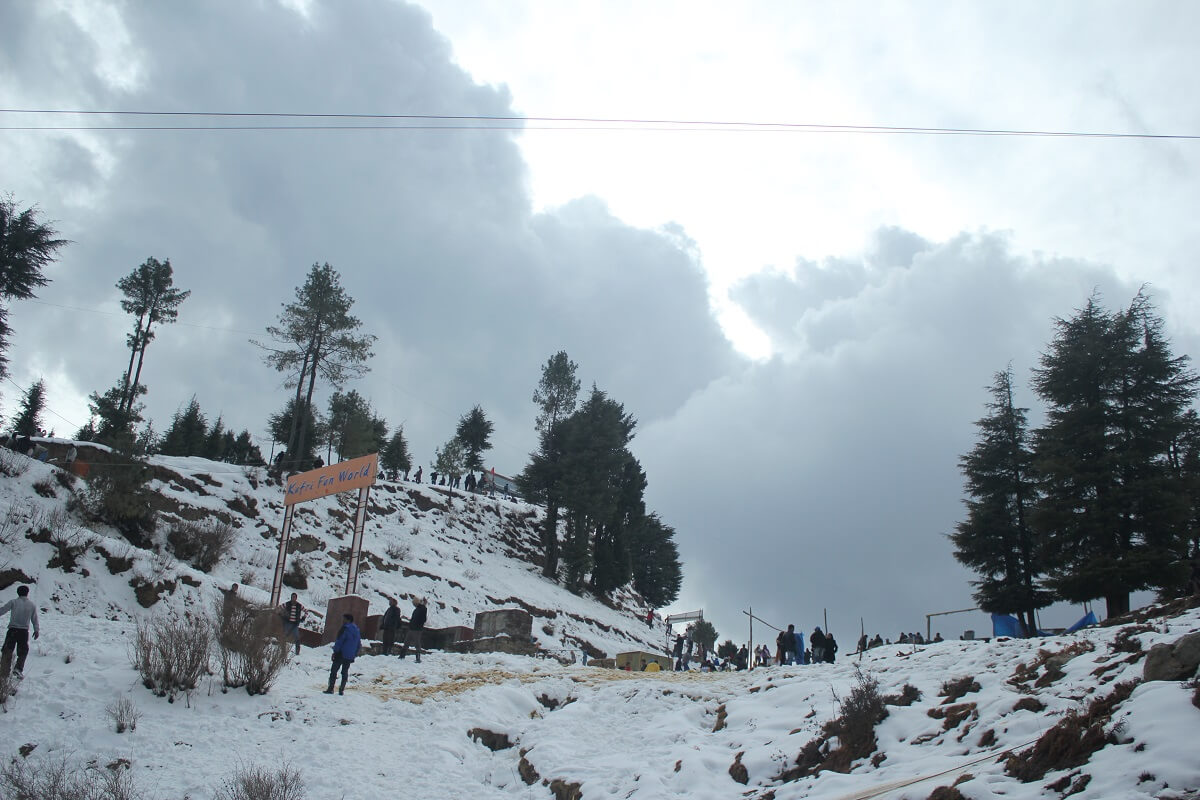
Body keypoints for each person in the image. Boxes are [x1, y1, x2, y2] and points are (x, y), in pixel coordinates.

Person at [1, 586, 40, 677]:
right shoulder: (31, 605)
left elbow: (2, 610)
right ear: (27, 593)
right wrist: (36, 630)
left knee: (7, 650)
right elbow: (35, 619)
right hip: (24, 632)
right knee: (23, 651)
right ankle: (18, 669)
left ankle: (4, 671)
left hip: (12, 631)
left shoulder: (13, 602)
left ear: (18, 593)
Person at [325, 613, 360, 695]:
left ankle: (330, 689)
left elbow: (340, 641)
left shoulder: (345, 628)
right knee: (345, 672)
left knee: (334, 671)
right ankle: (341, 690)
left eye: (344, 619)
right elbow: (358, 644)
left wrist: (335, 651)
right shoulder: (357, 630)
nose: (342, 621)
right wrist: (354, 654)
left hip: (341, 653)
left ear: (348, 620)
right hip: (349, 655)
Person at [399, 597, 427, 663]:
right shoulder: (418, 609)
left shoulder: (422, 609)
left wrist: (424, 604)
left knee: (417, 644)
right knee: (406, 642)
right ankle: (402, 656)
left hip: (417, 629)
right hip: (412, 628)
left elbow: (423, 618)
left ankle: (418, 658)